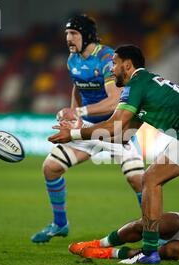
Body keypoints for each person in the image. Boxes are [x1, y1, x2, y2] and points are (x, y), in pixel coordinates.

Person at [48, 44, 179, 264]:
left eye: (114, 63)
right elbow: (121, 136)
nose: (111, 69)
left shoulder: (135, 83)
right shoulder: (147, 84)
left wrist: (73, 133)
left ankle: (149, 251)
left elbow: (116, 124)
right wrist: (84, 128)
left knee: (151, 178)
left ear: (128, 65)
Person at [31, 15, 144, 243]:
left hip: (115, 127)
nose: (69, 39)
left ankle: (156, 230)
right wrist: (74, 117)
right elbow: (77, 87)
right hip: (89, 127)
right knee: (51, 168)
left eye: (74, 34)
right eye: (67, 34)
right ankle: (60, 224)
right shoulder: (72, 59)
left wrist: (80, 113)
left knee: (137, 180)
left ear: (87, 35)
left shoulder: (107, 58)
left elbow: (115, 101)